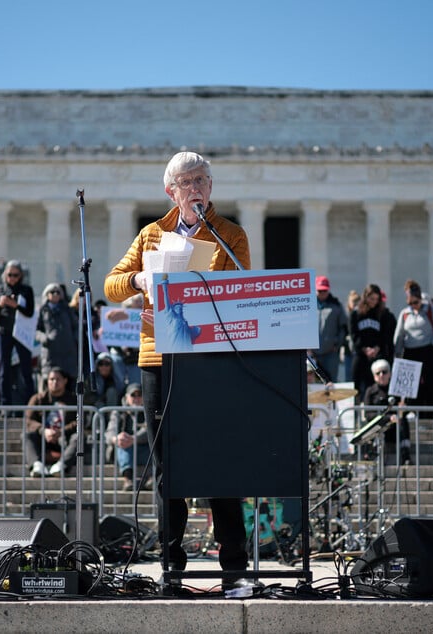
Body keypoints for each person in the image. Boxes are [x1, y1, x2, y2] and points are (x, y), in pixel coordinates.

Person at [103, 151, 249, 580]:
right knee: (168, 467)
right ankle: (171, 567)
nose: (196, 188)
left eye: (202, 180)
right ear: (171, 191)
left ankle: (234, 568)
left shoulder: (230, 234)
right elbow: (112, 284)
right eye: (187, 182)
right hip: (159, 359)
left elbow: (242, 288)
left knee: (222, 462)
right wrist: (139, 281)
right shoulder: (151, 234)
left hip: (211, 359)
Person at [393, 279, 433, 408]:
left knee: (432, 384)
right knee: (411, 386)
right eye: (410, 303)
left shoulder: (432, 311)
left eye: (415, 302)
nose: (413, 305)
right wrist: (397, 352)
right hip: (411, 352)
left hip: (428, 351)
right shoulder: (405, 314)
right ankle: (412, 411)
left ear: (420, 299)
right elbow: (399, 334)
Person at [0, 260, 36, 406]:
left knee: (26, 370)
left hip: (22, 332)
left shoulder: (27, 290)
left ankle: (30, 405)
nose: (12, 278)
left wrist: (16, 305)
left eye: (15, 275)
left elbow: (30, 312)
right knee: (4, 370)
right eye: (9, 275)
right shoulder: (0, 290)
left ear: (20, 275)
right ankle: (5, 405)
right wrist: (0, 304)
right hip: (5, 333)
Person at [24, 367, 77, 477]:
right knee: (27, 435)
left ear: (65, 381)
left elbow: (78, 421)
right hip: (43, 438)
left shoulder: (73, 400)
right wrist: (44, 431)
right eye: (51, 379)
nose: (54, 382)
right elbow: (28, 420)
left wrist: (61, 431)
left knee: (78, 437)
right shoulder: (38, 399)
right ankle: (36, 465)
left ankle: (62, 465)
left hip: (64, 438)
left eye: (58, 379)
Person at [349, 284, 396, 402]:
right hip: (361, 353)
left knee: (373, 383)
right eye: (371, 299)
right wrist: (364, 349)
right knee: (356, 382)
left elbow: (384, 335)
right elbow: (354, 334)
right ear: (365, 297)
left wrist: (377, 348)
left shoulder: (382, 314)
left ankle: (371, 409)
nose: (374, 302)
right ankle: (356, 411)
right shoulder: (356, 313)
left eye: (376, 299)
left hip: (376, 353)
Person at [360, 359, 412, 465]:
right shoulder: (370, 391)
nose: (381, 375)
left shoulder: (397, 390)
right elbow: (368, 414)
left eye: (384, 372)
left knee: (404, 422)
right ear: (374, 376)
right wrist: (387, 418)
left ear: (390, 373)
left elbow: (404, 412)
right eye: (378, 373)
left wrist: (403, 408)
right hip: (378, 426)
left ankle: (405, 455)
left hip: (394, 427)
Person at [105, 382, 151, 490]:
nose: (136, 398)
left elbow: (149, 430)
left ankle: (152, 478)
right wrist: (116, 438)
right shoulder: (118, 412)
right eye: (133, 395)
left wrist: (134, 439)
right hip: (123, 450)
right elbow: (109, 431)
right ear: (126, 397)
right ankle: (128, 479)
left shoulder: (149, 412)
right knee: (122, 444)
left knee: (155, 445)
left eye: (139, 395)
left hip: (143, 449)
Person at [35, 283, 79, 381]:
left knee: (68, 382)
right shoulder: (43, 311)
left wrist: (74, 339)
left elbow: (76, 326)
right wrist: (44, 338)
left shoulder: (67, 309)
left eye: (58, 292)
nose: (55, 294)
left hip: (68, 353)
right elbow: (37, 330)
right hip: (51, 352)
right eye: (52, 292)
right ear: (47, 294)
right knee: (51, 381)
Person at [311, 276, 348, 384]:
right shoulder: (308, 305)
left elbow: (343, 327)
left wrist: (337, 344)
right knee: (312, 382)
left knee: (331, 382)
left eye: (325, 291)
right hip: (313, 353)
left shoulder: (336, 306)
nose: (322, 293)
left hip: (330, 353)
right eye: (320, 290)